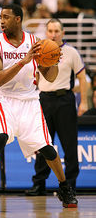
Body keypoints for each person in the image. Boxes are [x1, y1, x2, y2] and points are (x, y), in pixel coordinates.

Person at [0, 4, 78, 212]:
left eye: (6, 17)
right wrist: (23, 61)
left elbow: (50, 76)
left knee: (46, 147)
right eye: (0, 17)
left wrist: (51, 61)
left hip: (30, 101)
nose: (1, 21)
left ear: (18, 19)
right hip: (5, 99)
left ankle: (64, 187)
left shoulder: (35, 43)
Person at [25, 18, 88, 197]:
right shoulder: (39, 52)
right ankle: (39, 184)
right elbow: (32, 77)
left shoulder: (71, 52)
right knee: (43, 144)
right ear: (46, 32)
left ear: (62, 33)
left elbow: (82, 78)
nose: (53, 34)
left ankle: (69, 186)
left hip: (65, 101)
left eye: (56, 31)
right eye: (50, 31)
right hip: (43, 100)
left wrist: (84, 102)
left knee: (69, 145)